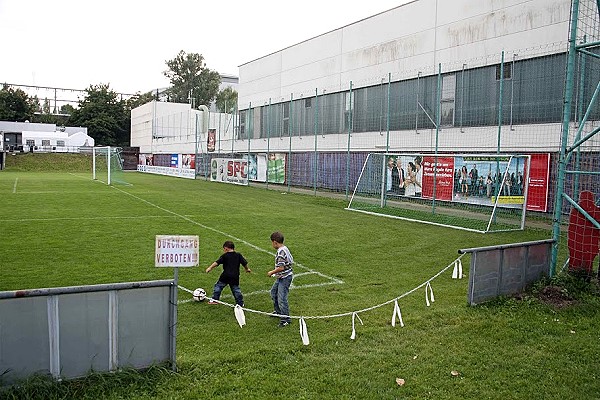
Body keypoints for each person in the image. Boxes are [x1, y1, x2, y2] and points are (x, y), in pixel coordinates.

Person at [206, 240, 251, 306]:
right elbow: (244, 263)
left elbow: (217, 263)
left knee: (218, 286)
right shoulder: (238, 255)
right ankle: (240, 303)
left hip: (225, 275)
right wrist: (247, 269)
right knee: (236, 290)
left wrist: (210, 268)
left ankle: (215, 300)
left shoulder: (225, 256)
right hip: (235, 276)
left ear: (226, 248)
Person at [267, 231, 294, 327]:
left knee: (282, 298)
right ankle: (278, 312)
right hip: (281, 277)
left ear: (275, 242)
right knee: (273, 293)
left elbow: (281, 267)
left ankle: (286, 319)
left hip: (285, 278)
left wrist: (272, 272)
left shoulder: (281, 252)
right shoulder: (284, 248)